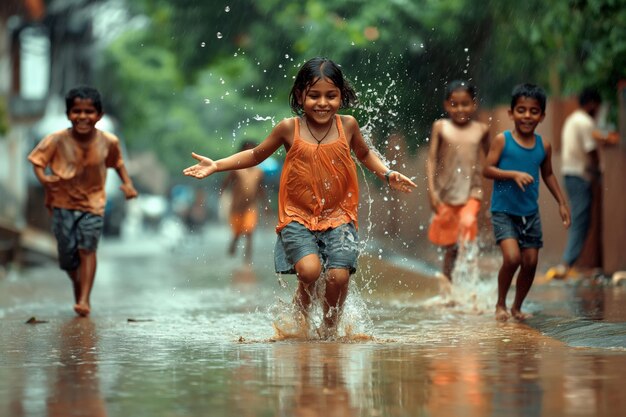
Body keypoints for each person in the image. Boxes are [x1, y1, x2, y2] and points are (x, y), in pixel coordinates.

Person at [184, 57, 416, 336]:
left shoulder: (348, 126)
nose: (322, 103)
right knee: (309, 271)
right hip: (297, 217)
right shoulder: (288, 128)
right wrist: (217, 165)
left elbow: (364, 154)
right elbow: (256, 155)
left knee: (338, 275)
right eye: (314, 96)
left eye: (331, 96)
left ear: (341, 96)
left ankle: (329, 329)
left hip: (339, 215)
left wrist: (387, 173)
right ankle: (301, 316)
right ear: (299, 96)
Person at [28, 86, 138, 316]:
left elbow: (117, 163)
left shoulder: (109, 141)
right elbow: (37, 161)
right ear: (69, 114)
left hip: (94, 203)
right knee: (67, 255)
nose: (83, 116)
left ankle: (85, 300)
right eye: (77, 111)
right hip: (61, 202)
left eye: (89, 111)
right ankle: (79, 288)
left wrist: (127, 184)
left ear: (99, 115)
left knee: (87, 248)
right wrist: (45, 179)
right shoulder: (56, 140)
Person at [483, 83, 570, 322]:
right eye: (521, 110)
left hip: (530, 213)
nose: (527, 116)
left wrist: (562, 203)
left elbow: (549, 174)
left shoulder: (544, 146)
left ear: (542, 116)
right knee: (513, 259)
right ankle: (500, 303)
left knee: (530, 262)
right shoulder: (503, 140)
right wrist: (513, 174)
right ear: (511, 113)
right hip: (503, 211)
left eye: (533, 111)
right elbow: (487, 169)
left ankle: (517, 306)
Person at [545, 87, 618, 280]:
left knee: (580, 219)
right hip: (580, 175)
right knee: (580, 221)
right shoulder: (585, 122)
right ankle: (566, 264)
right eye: (598, 106)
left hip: (570, 173)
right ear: (592, 103)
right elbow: (591, 150)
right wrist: (598, 170)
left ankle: (569, 263)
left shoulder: (573, 119)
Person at [426, 80, 490, 285]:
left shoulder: (482, 130)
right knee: (450, 246)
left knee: (468, 226)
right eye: (454, 104)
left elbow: (492, 158)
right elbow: (432, 159)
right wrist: (432, 191)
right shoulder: (441, 127)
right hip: (447, 193)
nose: (460, 109)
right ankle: (449, 285)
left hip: (473, 191)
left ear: (474, 104)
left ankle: (469, 285)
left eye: (465, 104)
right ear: (446, 105)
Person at [220, 140, 265, 263]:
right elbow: (226, 182)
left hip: (250, 207)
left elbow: (260, 189)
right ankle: (230, 257)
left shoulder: (259, 171)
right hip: (237, 207)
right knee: (237, 234)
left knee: (250, 233)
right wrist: (222, 194)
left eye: (252, 150)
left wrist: (266, 205)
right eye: (246, 150)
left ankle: (247, 263)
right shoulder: (237, 169)